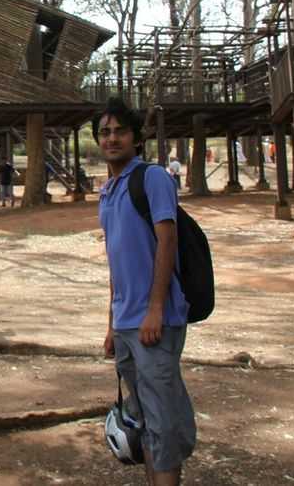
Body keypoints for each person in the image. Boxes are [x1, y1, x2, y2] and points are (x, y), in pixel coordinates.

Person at [93, 97, 196, 486]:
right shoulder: (107, 192)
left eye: (120, 130)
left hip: (156, 321)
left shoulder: (152, 178)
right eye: (105, 132)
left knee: (162, 424)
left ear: (136, 138)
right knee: (142, 420)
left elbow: (166, 242)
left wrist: (155, 308)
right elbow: (117, 264)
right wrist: (111, 324)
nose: (112, 138)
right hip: (125, 323)